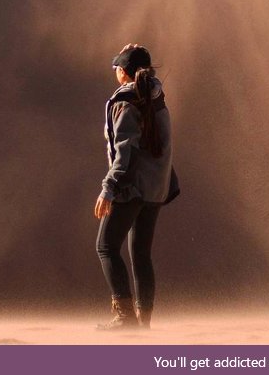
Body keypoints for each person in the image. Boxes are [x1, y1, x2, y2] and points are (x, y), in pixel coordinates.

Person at [95, 44, 179, 330]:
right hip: (157, 188)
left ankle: (125, 317)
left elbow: (124, 151)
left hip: (131, 188)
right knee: (141, 253)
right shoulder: (156, 97)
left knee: (106, 247)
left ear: (123, 73)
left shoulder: (126, 101)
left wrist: (108, 188)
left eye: (117, 67)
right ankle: (144, 323)